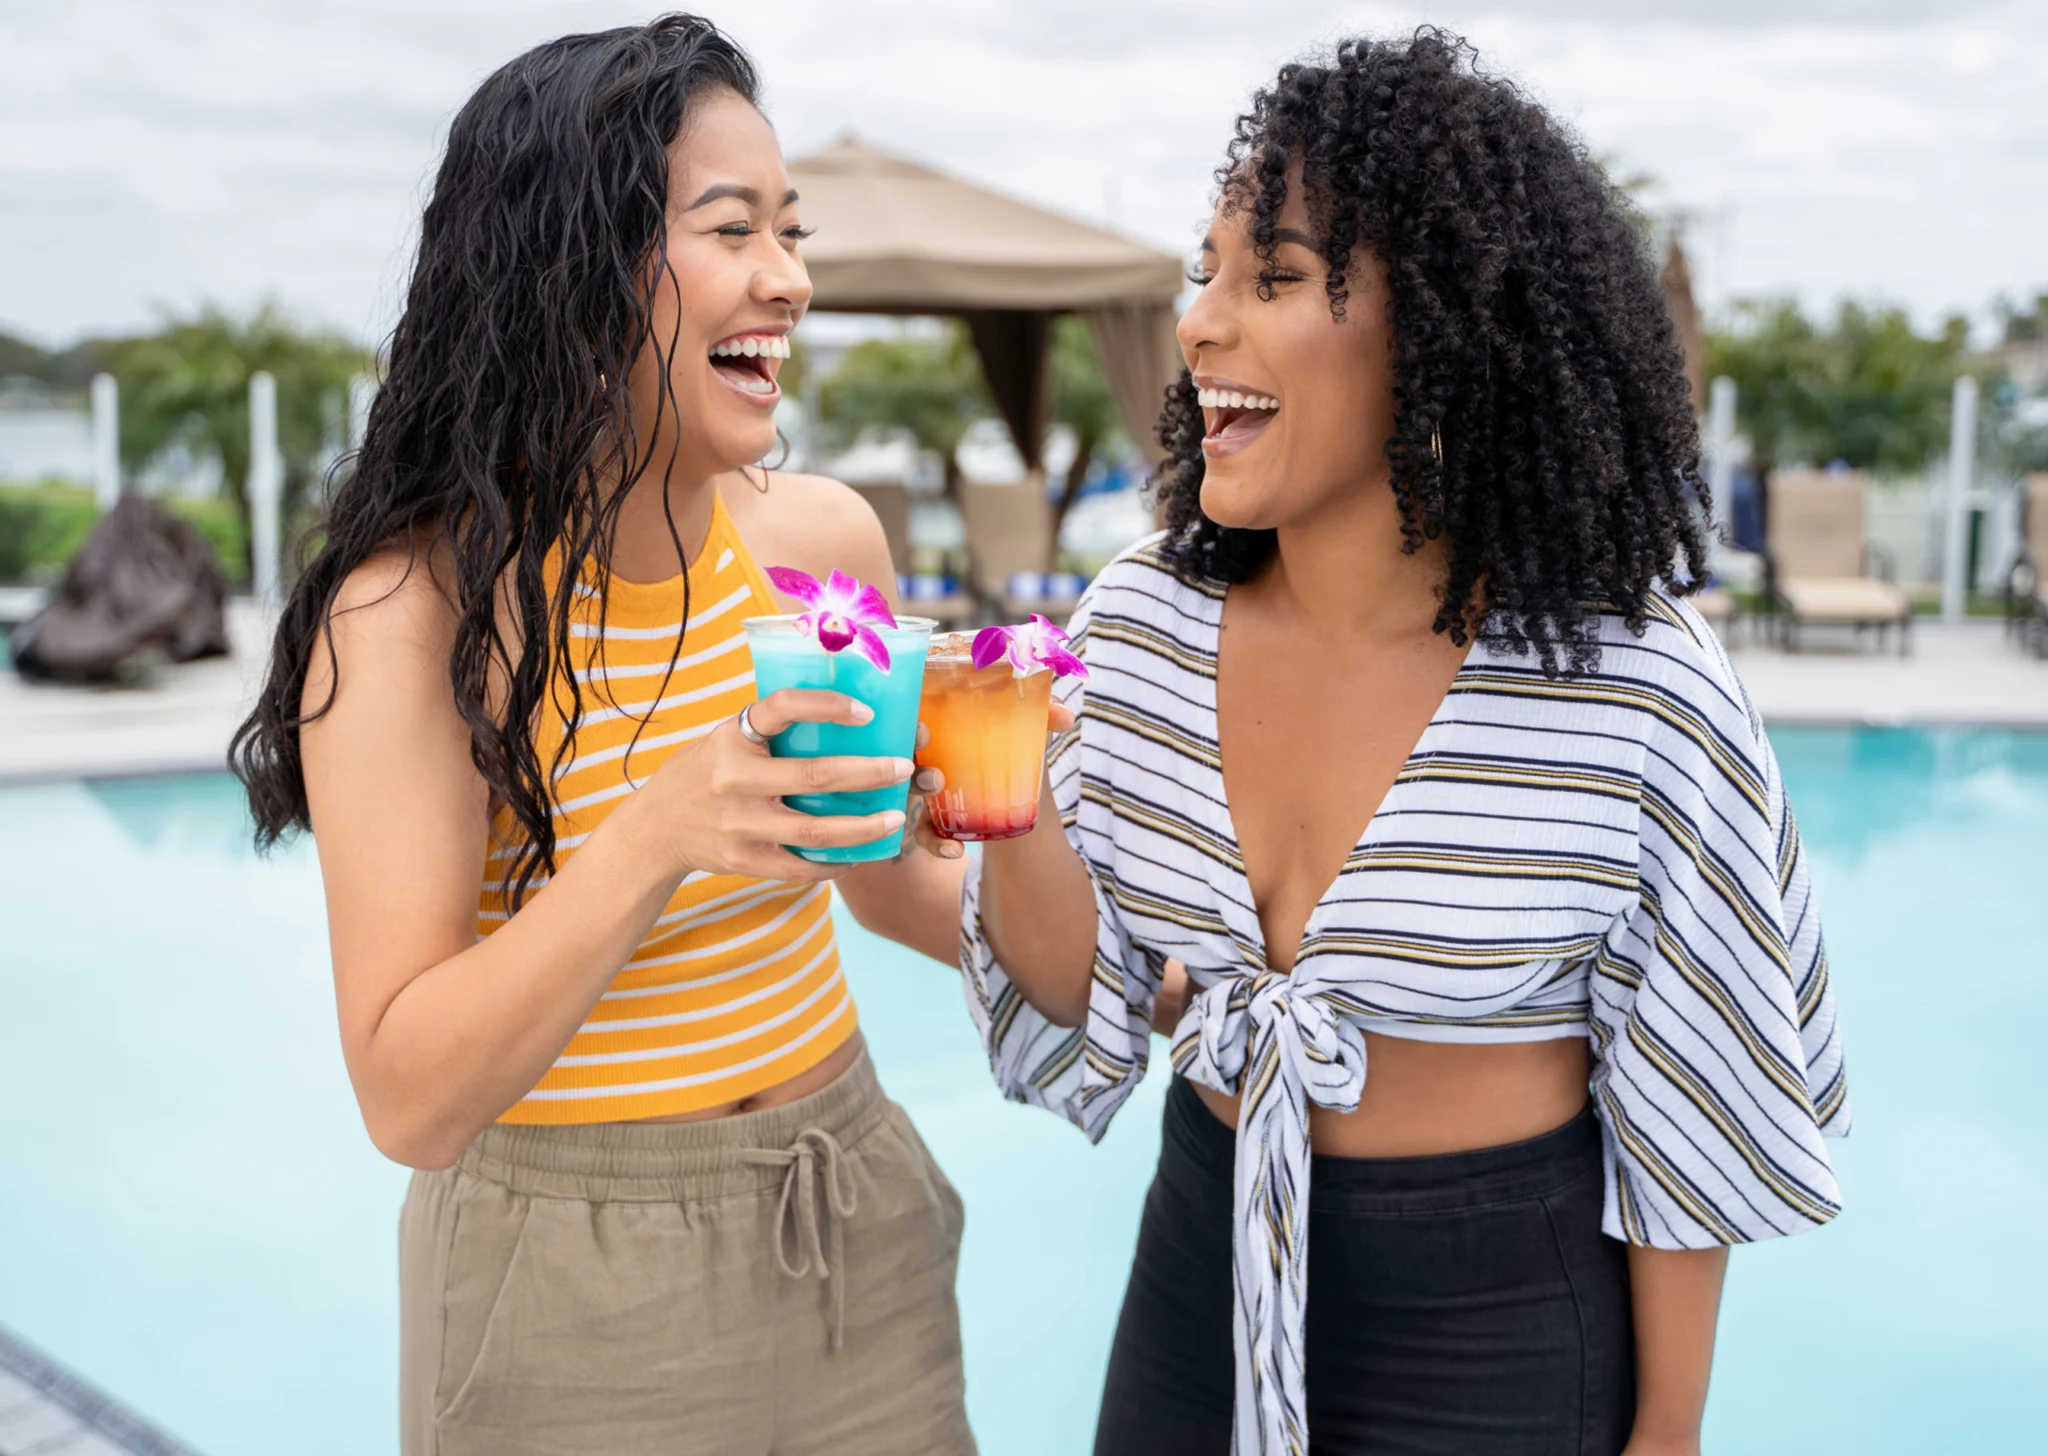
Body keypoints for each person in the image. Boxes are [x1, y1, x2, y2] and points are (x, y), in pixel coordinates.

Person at [957, 31, 1848, 1456]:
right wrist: (1006, 798)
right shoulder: (1139, 625)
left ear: (1439, 330)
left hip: (1493, 1309)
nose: (1199, 324)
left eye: (1277, 277)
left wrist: (1668, 1430)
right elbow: (1079, 989)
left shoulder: (1632, 685)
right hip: (1206, 1253)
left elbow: (1694, 1094)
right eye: (1206, 272)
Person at [231, 17, 977, 1455]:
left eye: (792, 230)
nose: (792, 279)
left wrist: (1123, 933)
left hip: (849, 1203)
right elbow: (409, 1095)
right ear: (577, 266)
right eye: (733, 229)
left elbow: (885, 877)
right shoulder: (412, 618)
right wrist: (655, 836)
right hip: (570, 1275)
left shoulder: (823, 545)